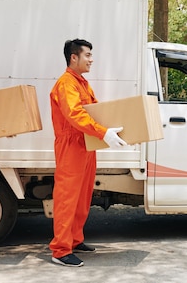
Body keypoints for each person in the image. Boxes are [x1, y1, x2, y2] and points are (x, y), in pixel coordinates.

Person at [49, 38, 127, 267]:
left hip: (85, 145)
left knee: (82, 198)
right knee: (67, 199)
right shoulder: (66, 84)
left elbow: (95, 111)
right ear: (74, 57)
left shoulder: (82, 83)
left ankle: (74, 240)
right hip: (72, 146)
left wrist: (106, 130)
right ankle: (60, 250)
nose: (92, 59)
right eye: (88, 55)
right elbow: (75, 115)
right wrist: (103, 133)